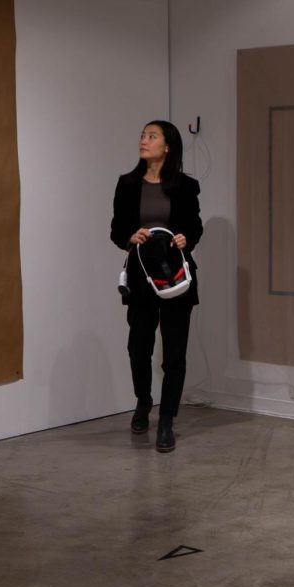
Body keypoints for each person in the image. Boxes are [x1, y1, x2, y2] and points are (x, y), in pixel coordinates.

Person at [110, 120, 202, 453]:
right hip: (141, 275)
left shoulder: (186, 186)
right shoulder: (128, 183)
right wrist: (128, 236)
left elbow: (195, 226)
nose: (143, 140)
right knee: (139, 347)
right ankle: (143, 401)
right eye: (142, 135)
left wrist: (185, 237)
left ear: (167, 146)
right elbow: (117, 228)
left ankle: (166, 420)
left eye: (151, 136)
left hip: (176, 276)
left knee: (175, 354)